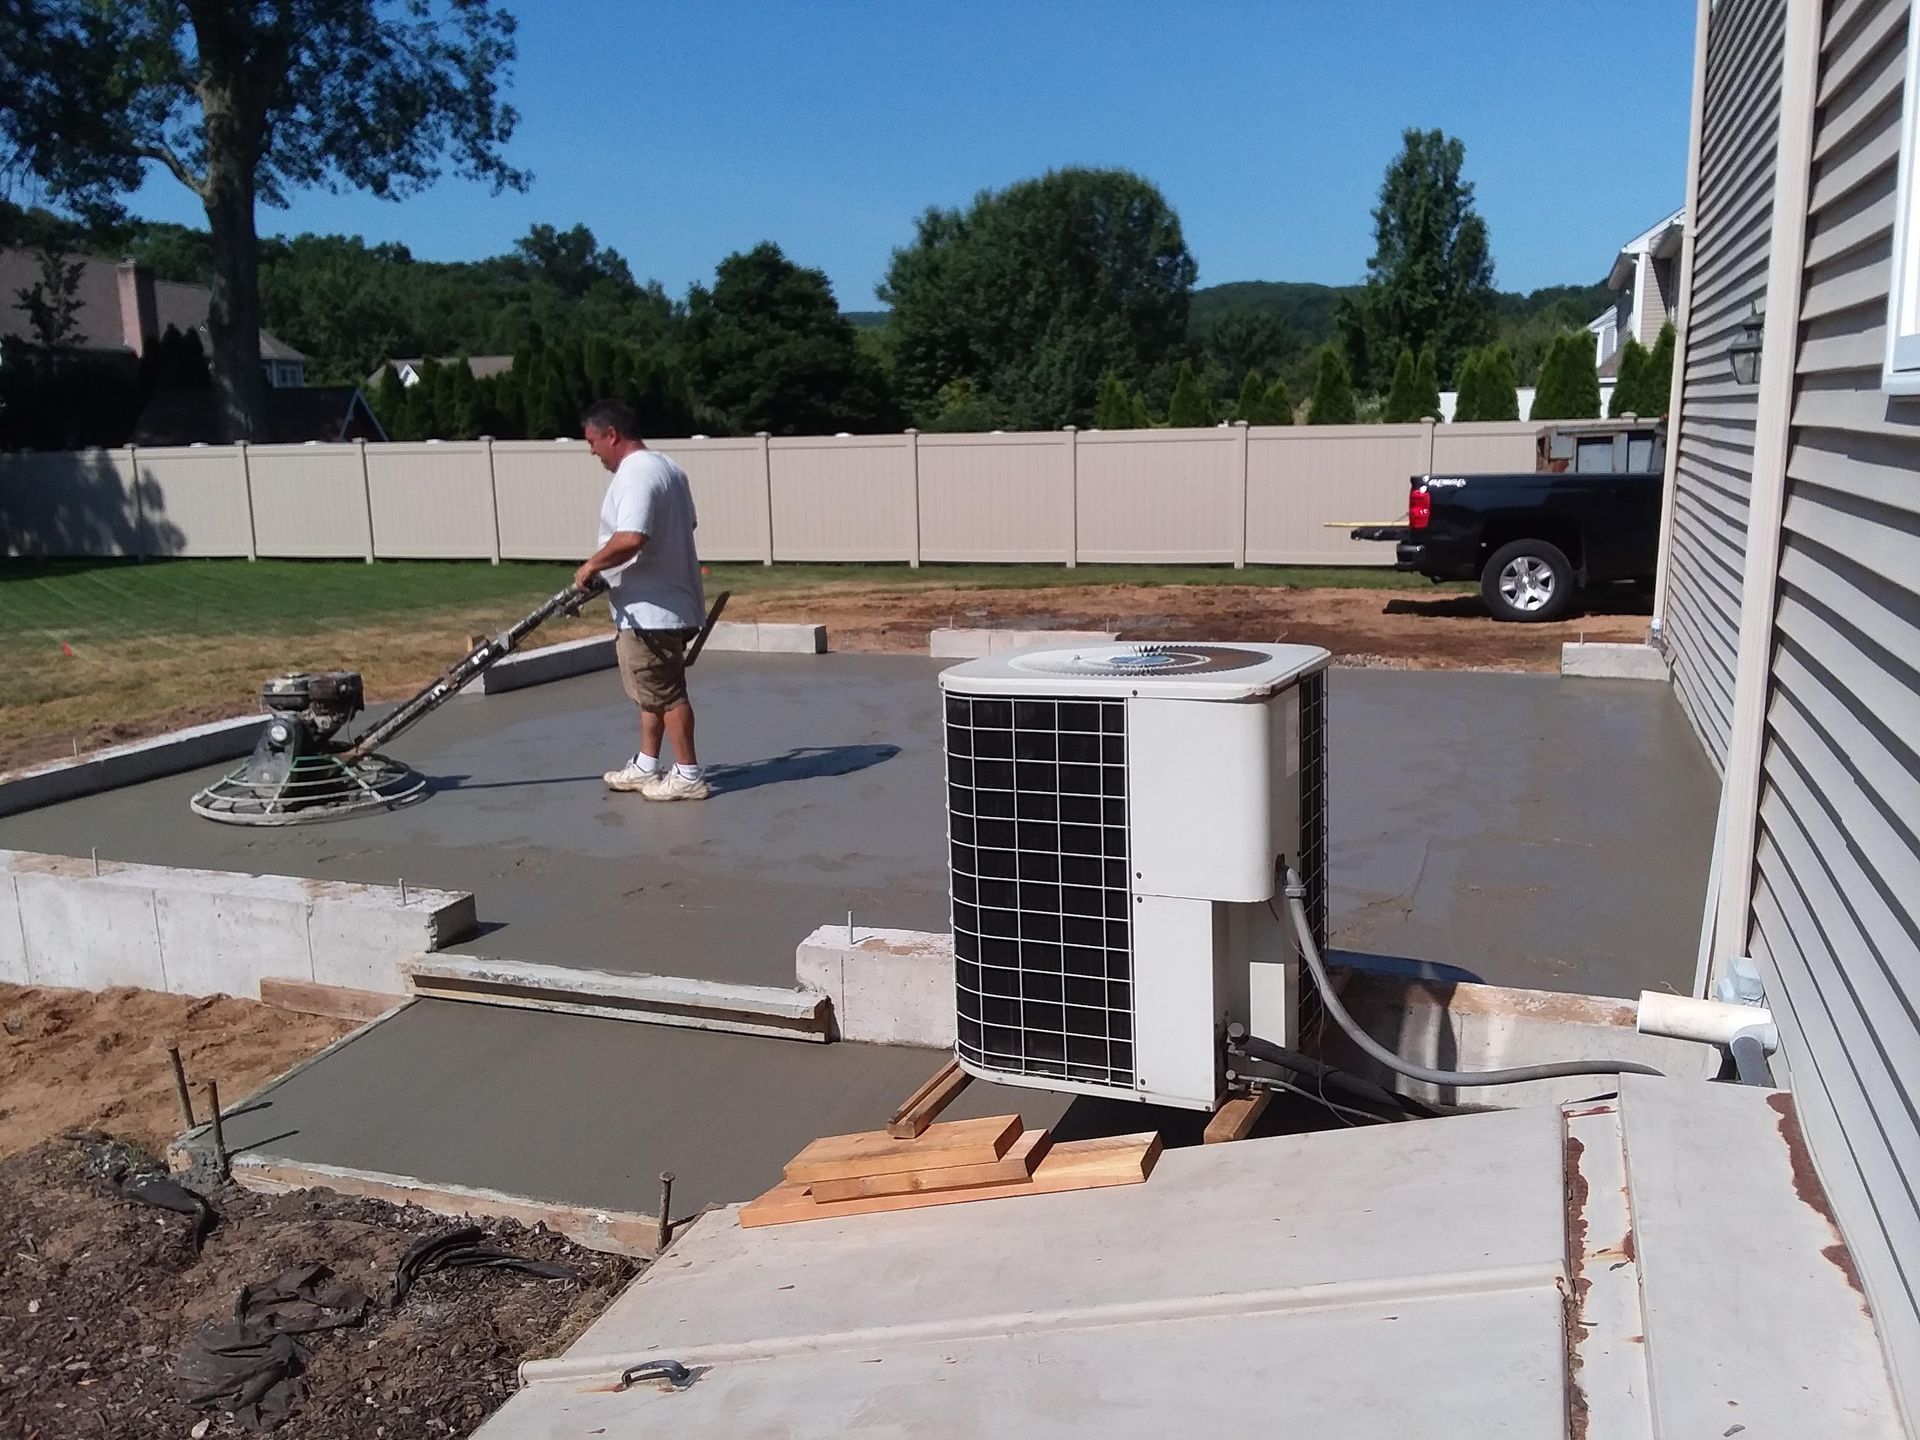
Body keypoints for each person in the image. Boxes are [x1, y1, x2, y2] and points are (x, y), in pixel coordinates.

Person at [574, 399, 709, 801]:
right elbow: (688, 524)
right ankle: (647, 765)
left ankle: (688, 774)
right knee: (652, 690)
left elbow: (632, 537)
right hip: (665, 603)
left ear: (611, 435)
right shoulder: (669, 468)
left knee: (666, 693)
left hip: (653, 609)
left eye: (592, 441)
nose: (592, 451)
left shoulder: (636, 475)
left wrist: (591, 567)